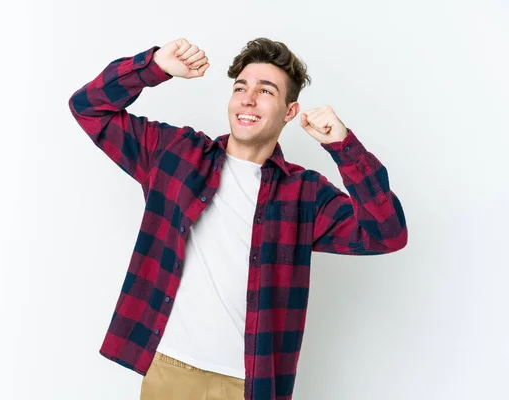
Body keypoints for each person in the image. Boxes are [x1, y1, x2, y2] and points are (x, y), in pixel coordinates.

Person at [68, 37, 408, 400]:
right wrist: (155, 65)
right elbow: (89, 108)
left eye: (265, 91)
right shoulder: (175, 154)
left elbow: (387, 233)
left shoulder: (305, 193)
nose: (247, 98)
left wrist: (344, 147)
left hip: (248, 385)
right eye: (241, 87)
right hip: (170, 369)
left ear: (289, 111)